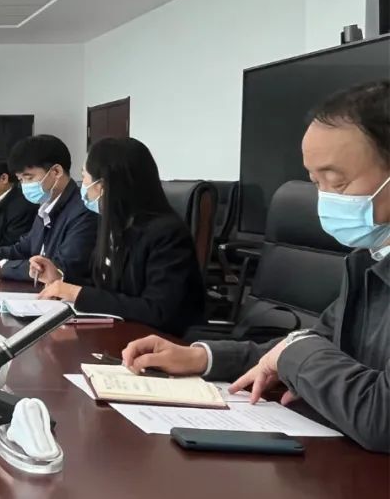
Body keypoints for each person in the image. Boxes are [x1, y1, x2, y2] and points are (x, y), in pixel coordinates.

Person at [121, 80, 390, 453]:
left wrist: (295, 356)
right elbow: (318, 341)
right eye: (316, 183)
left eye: (337, 182)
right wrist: (203, 357)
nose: (324, 200)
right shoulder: (367, 259)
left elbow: (382, 417)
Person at [36, 137, 205, 335]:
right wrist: (61, 279)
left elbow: (158, 310)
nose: (83, 186)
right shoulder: (114, 225)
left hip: (160, 342)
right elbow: (109, 289)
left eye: (85, 177)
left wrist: (77, 293)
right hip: (117, 334)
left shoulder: (167, 235)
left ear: (103, 185)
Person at [0, 135, 97, 283]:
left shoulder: (83, 211)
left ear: (56, 172)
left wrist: (1, 266)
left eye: (29, 178)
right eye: (21, 180)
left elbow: (60, 268)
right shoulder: (46, 206)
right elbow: (22, 249)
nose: (25, 185)